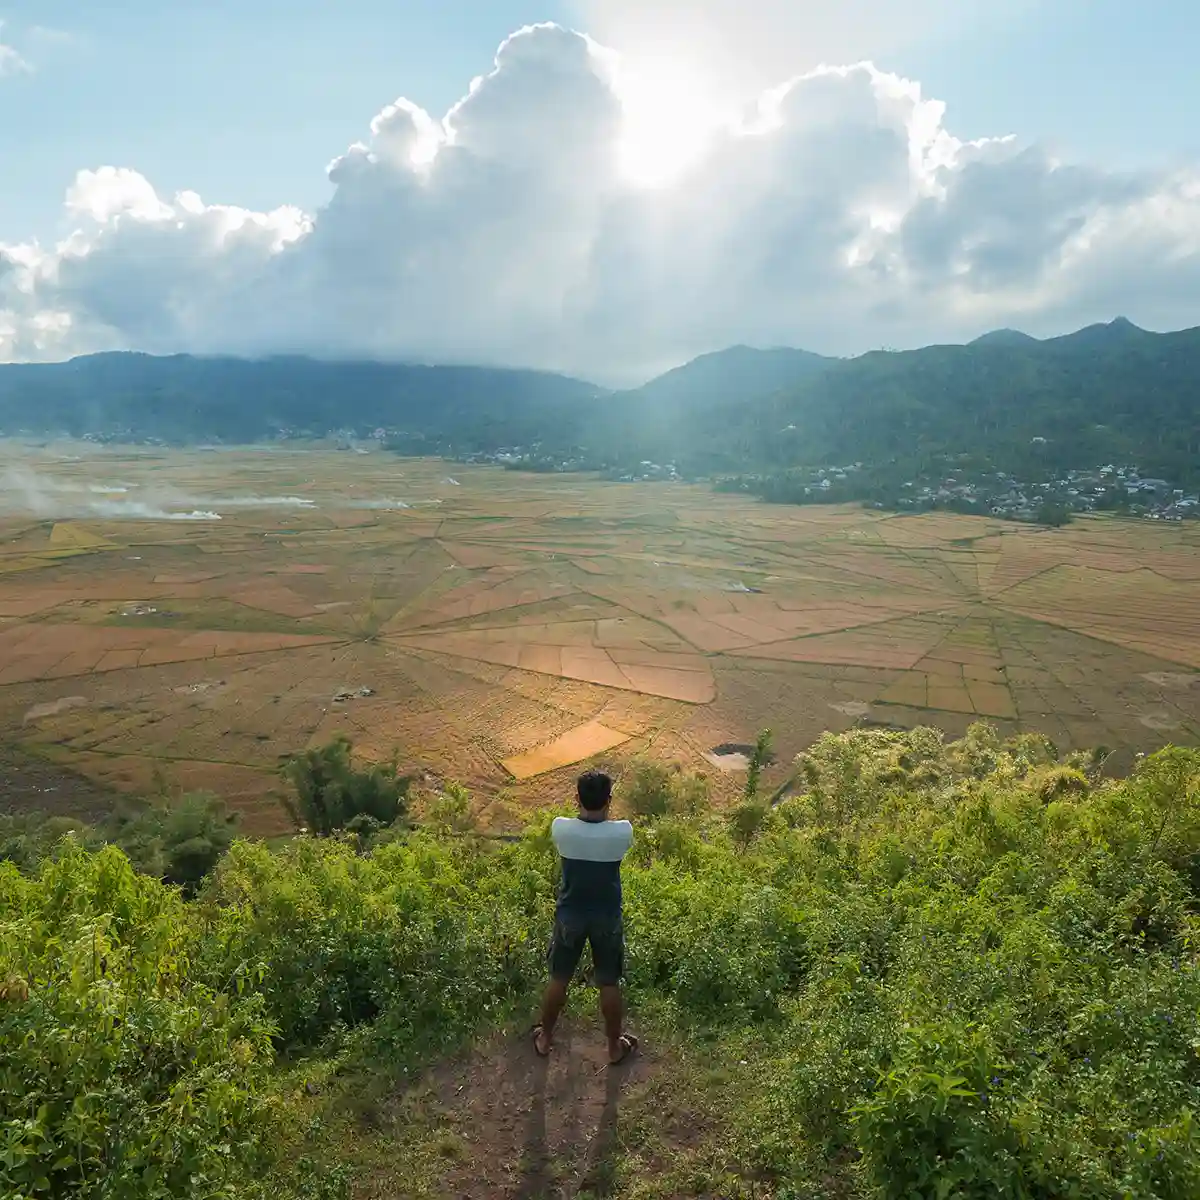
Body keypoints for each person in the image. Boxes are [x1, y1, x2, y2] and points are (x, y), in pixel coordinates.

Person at [532, 769, 638, 1065]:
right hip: (606, 916)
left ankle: (544, 1038)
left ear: (576, 798)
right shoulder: (622, 832)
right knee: (608, 981)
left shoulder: (561, 829)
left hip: (570, 915)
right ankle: (614, 1047)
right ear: (610, 800)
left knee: (559, 977)